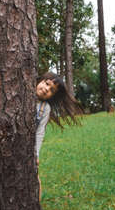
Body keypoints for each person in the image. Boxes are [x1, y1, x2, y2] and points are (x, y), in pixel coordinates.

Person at [35, 72, 82, 200]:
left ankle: (36, 206)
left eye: (51, 90)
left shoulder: (45, 108)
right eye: (46, 84)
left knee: (34, 179)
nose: (46, 89)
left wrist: (36, 154)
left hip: (27, 147)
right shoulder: (23, 94)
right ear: (40, 80)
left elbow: (40, 133)